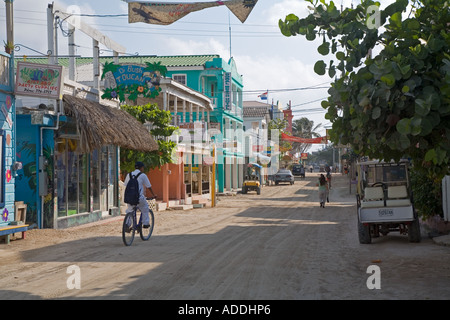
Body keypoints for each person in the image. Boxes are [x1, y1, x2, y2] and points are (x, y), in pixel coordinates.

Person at [124, 161, 157, 228]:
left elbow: (125, 185)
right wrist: (154, 195)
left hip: (129, 197)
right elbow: (149, 186)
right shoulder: (143, 175)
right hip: (139, 198)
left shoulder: (129, 175)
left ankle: (127, 224)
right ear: (141, 168)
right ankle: (145, 223)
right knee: (145, 208)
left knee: (130, 210)